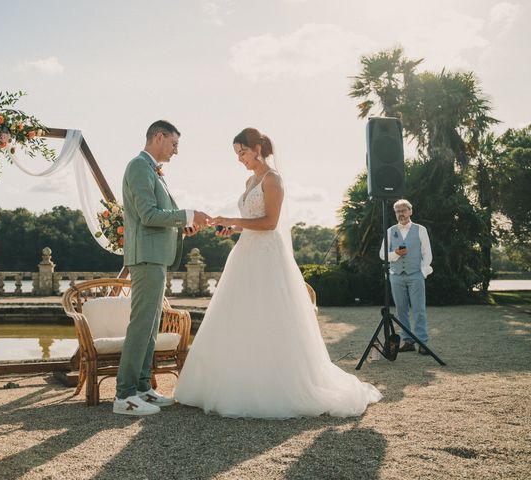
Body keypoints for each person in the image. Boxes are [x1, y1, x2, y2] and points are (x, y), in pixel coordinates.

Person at [174, 128, 382, 418]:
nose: (240, 159)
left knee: (269, 316)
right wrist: (229, 228)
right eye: (237, 154)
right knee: (239, 315)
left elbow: (270, 222)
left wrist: (235, 220)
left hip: (267, 256)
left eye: (242, 152)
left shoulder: (274, 180)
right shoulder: (250, 181)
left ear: (257, 147)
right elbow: (249, 222)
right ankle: (235, 380)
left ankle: (272, 384)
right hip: (244, 254)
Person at [114, 120, 210, 416]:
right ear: (159, 137)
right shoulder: (139, 167)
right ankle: (124, 395)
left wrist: (183, 227)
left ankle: (143, 387)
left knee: (151, 325)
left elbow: (159, 218)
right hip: (146, 257)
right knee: (141, 325)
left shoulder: (149, 168)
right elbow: (148, 215)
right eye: (174, 144)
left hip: (156, 257)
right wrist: (188, 214)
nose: (176, 151)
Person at [379, 199, 433, 355]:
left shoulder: (420, 229)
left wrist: (422, 272)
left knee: (419, 310)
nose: (400, 214)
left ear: (410, 211)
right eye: (397, 211)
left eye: (403, 210)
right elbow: (383, 254)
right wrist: (395, 254)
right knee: (401, 310)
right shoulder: (390, 231)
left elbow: (427, 254)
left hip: (415, 274)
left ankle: (422, 342)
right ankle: (408, 341)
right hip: (396, 276)